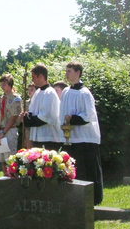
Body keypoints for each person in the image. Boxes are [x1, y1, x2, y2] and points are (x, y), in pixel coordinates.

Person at [59, 62, 103, 205]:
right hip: (71, 137)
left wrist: (73, 119)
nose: (67, 74)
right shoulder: (66, 92)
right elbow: (62, 111)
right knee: (74, 169)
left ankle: (93, 198)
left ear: (78, 72)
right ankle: (75, 198)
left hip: (86, 137)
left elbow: (89, 114)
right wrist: (64, 123)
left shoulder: (85, 93)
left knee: (89, 169)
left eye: (70, 71)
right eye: (66, 71)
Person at [19, 63, 62, 151]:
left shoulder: (50, 93)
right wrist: (25, 116)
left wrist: (27, 120)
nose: (32, 79)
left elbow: (46, 117)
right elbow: (32, 112)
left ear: (41, 76)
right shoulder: (38, 92)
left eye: (34, 77)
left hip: (48, 137)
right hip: (37, 137)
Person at [0, 74, 21, 176]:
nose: (2, 87)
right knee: (2, 159)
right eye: (1, 85)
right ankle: (5, 176)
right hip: (0, 131)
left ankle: (12, 178)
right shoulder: (0, 99)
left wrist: (4, 132)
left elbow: (14, 117)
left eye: (4, 84)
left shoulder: (16, 99)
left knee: (10, 158)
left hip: (10, 130)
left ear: (10, 85)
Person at [22, 82, 37, 149]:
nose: (29, 92)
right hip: (28, 129)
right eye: (29, 90)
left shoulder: (37, 103)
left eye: (32, 90)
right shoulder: (25, 103)